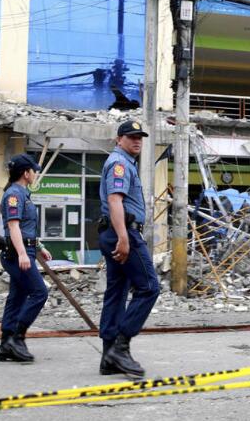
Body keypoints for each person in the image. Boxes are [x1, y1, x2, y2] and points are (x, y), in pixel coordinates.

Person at [98, 120, 159, 378]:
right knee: (149, 287)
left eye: (140, 137)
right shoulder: (120, 163)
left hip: (112, 232)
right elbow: (115, 200)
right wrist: (124, 237)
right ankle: (120, 348)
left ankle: (109, 355)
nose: (137, 141)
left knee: (117, 291)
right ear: (119, 139)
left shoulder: (122, 162)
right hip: (123, 232)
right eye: (131, 137)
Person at [0, 154, 51, 363]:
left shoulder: (22, 194)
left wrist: (39, 247)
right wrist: (21, 253)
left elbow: (27, 228)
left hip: (24, 251)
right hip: (16, 254)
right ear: (25, 173)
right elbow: (13, 226)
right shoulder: (13, 194)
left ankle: (4, 345)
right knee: (39, 292)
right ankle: (16, 338)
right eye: (33, 170)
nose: (35, 174)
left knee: (17, 297)